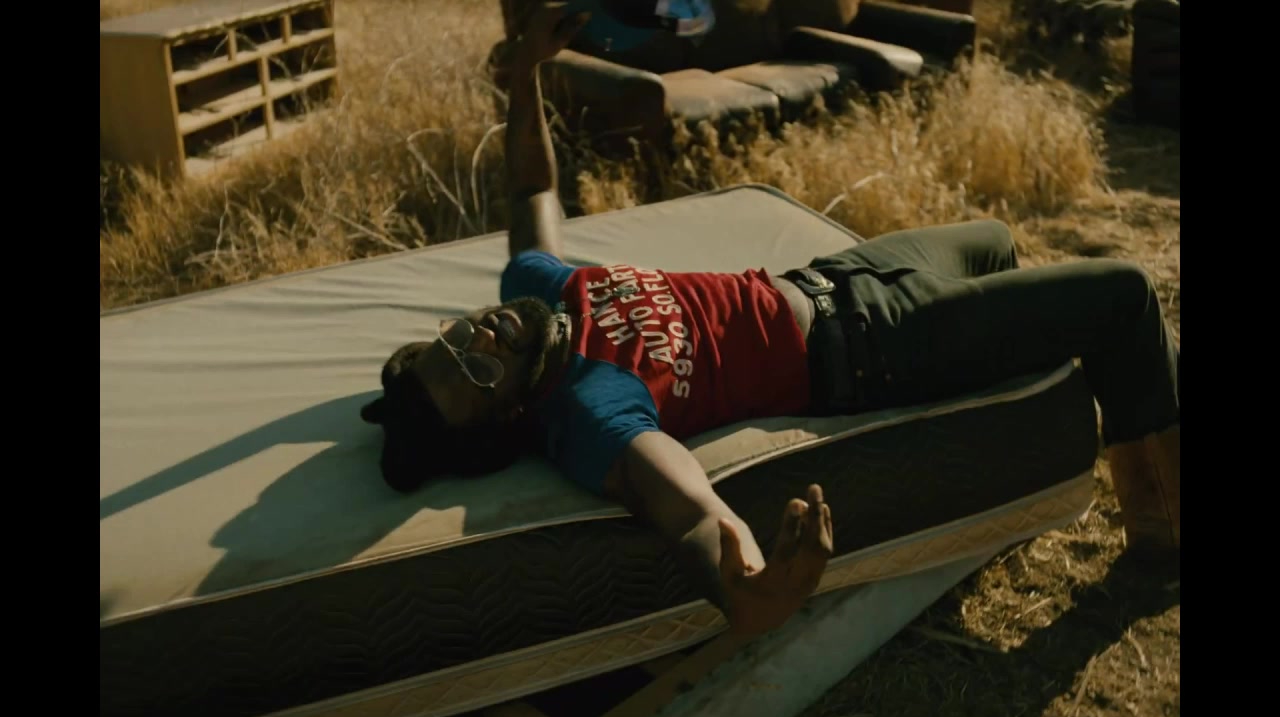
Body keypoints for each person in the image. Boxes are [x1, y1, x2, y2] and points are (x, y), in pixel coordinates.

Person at [359, 2, 1180, 637]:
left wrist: (529, 72)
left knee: (996, 239)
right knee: (1125, 294)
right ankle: (1160, 525)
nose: (480, 338)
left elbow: (531, 189)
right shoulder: (587, 410)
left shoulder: (536, 286)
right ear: (507, 416)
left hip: (841, 276)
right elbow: (685, 508)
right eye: (476, 371)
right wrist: (748, 587)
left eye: (454, 339)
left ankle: (1049, 431)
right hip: (876, 344)